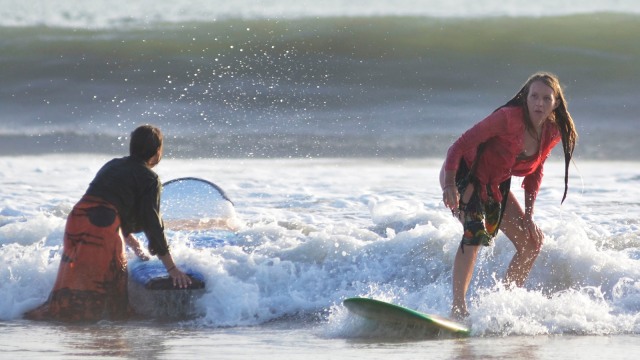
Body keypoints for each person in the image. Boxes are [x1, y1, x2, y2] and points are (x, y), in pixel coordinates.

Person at [439, 72, 578, 320]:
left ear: (555, 103)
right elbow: (458, 146)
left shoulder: (552, 132)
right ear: (525, 97)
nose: (539, 103)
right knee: (474, 232)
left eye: (546, 98)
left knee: (531, 243)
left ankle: (503, 305)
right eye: (534, 96)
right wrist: (449, 184)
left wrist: (528, 216)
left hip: (495, 184)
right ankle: (458, 309)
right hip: (464, 173)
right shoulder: (507, 119)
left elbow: (535, 173)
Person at [26, 125, 192, 322]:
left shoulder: (113, 165)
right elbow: (152, 223)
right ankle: (111, 319)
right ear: (157, 152)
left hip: (77, 219)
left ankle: (63, 314)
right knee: (112, 275)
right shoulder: (150, 178)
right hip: (101, 227)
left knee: (75, 276)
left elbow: (104, 203)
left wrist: (131, 241)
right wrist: (172, 269)